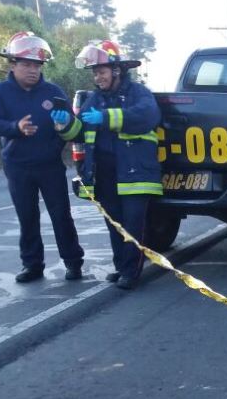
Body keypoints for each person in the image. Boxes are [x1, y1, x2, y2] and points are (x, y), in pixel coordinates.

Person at [51, 40, 162, 290]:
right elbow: (80, 131)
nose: (97, 77)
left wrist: (107, 117)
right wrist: (64, 125)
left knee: (133, 224)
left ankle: (131, 271)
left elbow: (146, 116)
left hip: (135, 173)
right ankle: (122, 266)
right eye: (94, 73)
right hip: (104, 173)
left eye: (100, 71)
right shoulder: (94, 99)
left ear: (116, 70)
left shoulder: (138, 93)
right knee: (115, 224)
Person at [0, 31, 85, 283]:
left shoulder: (53, 93)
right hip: (18, 166)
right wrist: (16, 128)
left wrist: (66, 125)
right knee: (27, 217)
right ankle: (32, 265)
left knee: (61, 215)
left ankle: (73, 262)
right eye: (26, 64)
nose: (32, 70)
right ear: (13, 64)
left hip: (50, 165)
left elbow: (71, 127)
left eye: (37, 65)